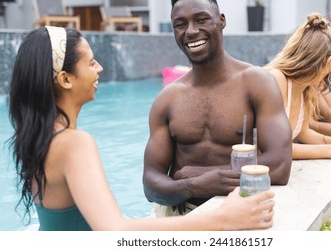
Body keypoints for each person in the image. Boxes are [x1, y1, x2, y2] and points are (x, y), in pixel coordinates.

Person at [8, 26, 275, 231]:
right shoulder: (73, 143)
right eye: (90, 63)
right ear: (65, 79)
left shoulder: (41, 138)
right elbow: (115, 230)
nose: (99, 68)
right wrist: (221, 218)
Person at [143, 0, 292, 216]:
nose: (191, 31)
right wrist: (191, 185)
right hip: (181, 215)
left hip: (242, 209)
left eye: (201, 19)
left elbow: (280, 166)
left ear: (221, 21)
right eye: (180, 24)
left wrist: (198, 174)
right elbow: (151, 184)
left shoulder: (256, 82)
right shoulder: (167, 99)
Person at [265, 13, 331, 163]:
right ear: (328, 61)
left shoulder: (306, 88)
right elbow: (273, 149)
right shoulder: (277, 79)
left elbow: (304, 133)